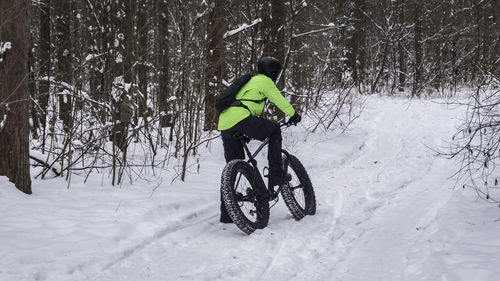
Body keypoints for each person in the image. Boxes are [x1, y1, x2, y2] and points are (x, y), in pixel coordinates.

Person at [217, 57, 301, 223]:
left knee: (233, 166)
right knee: (274, 130)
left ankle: (227, 213)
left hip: (225, 123)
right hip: (240, 118)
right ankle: (277, 174)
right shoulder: (264, 81)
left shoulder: (248, 83)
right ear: (274, 73)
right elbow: (279, 100)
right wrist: (293, 114)